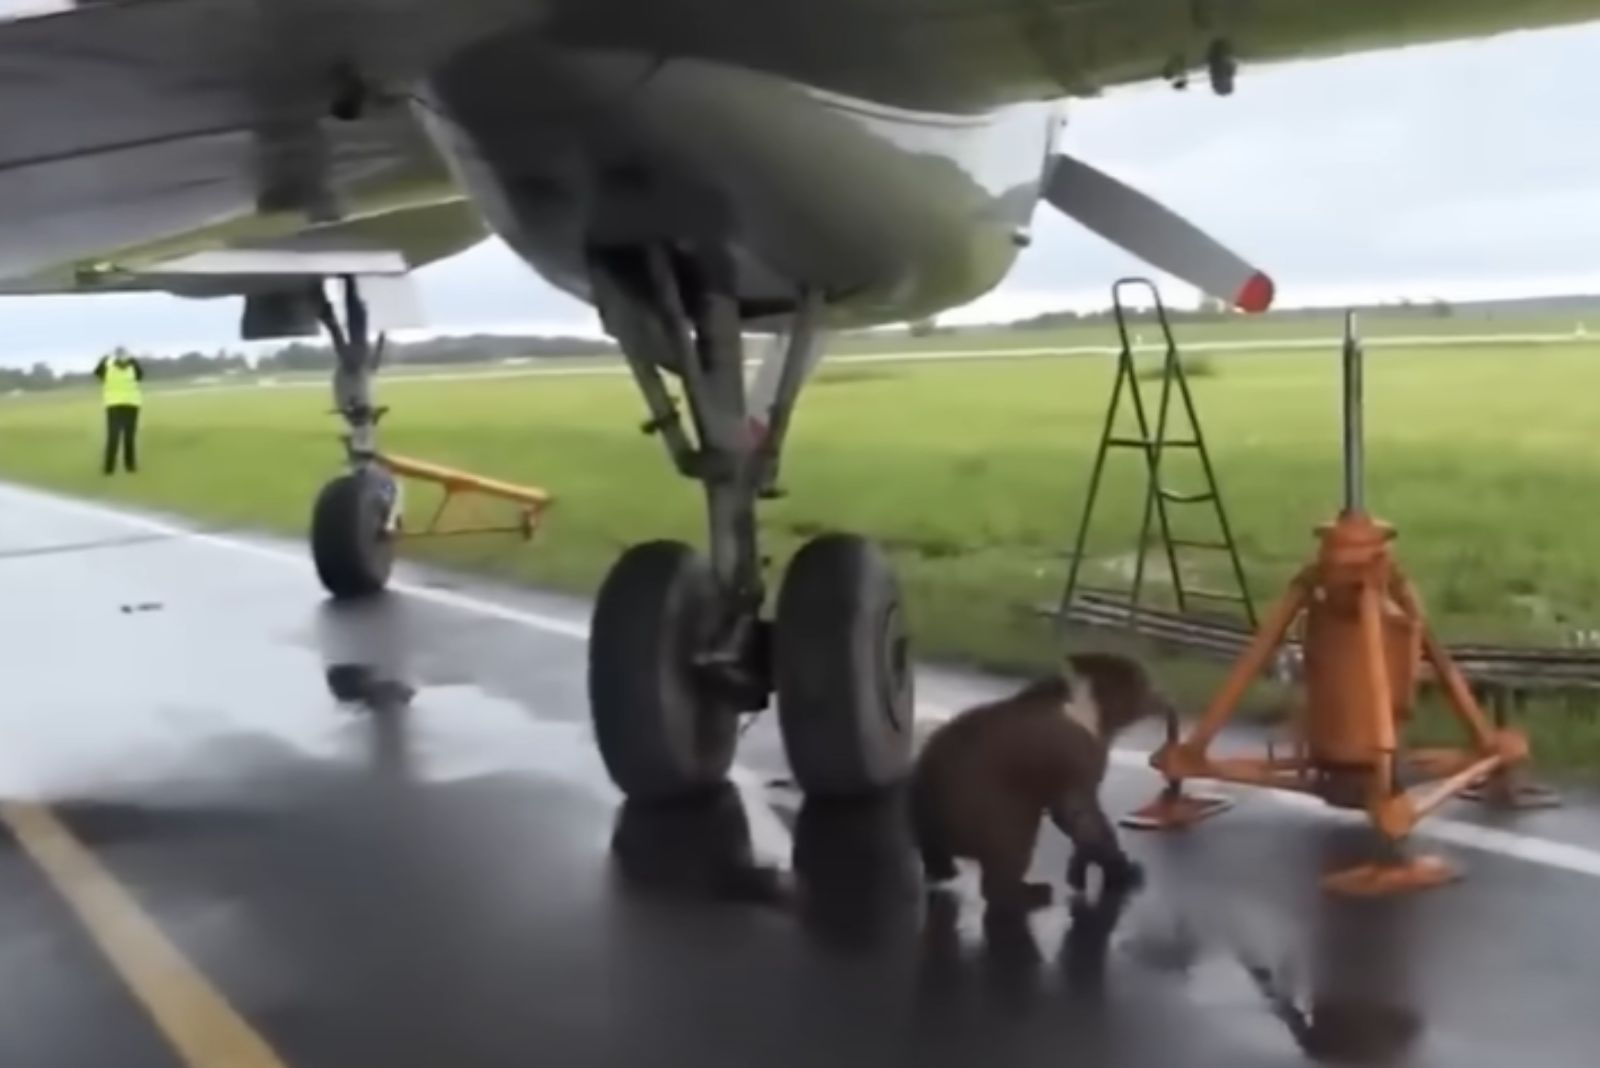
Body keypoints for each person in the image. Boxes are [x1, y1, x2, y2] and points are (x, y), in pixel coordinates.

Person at [93, 348, 144, 474]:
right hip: (118, 405)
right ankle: (120, 466)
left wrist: (105, 358)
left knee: (126, 437)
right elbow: (97, 372)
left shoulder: (127, 368)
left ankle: (121, 467)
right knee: (116, 437)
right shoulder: (113, 369)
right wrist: (104, 359)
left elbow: (140, 375)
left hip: (127, 405)